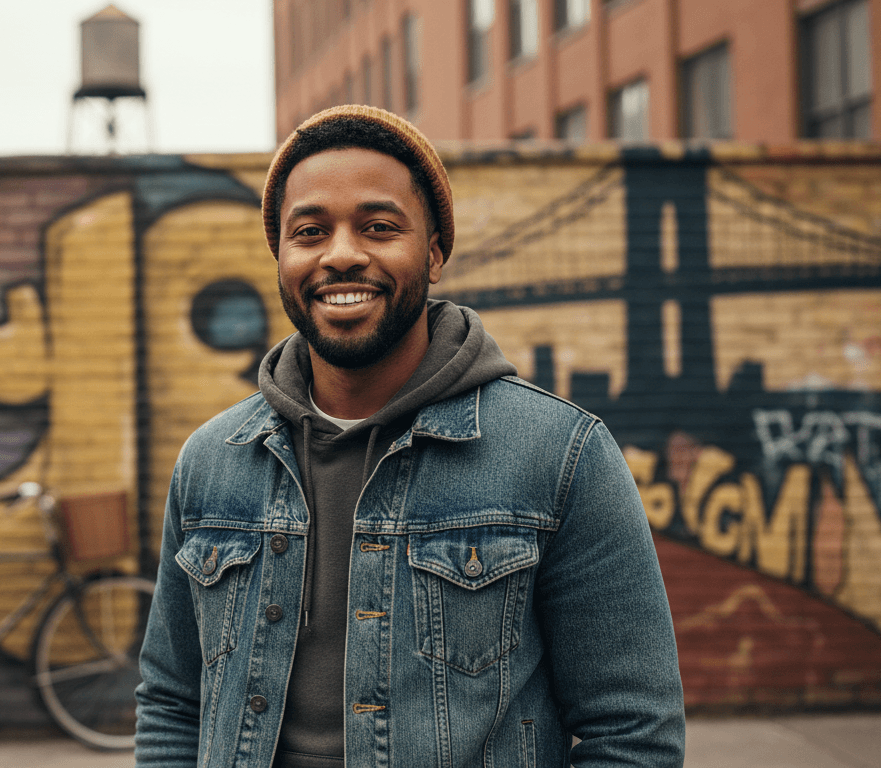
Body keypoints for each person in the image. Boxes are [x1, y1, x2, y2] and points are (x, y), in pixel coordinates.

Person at [134, 105, 684, 768]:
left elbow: (631, 732)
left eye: (378, 227)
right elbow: (170, 702)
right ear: (281, 256)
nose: (341, 254)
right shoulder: (211, 463)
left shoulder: (560, 456)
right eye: (309, 231)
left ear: (434, 252)